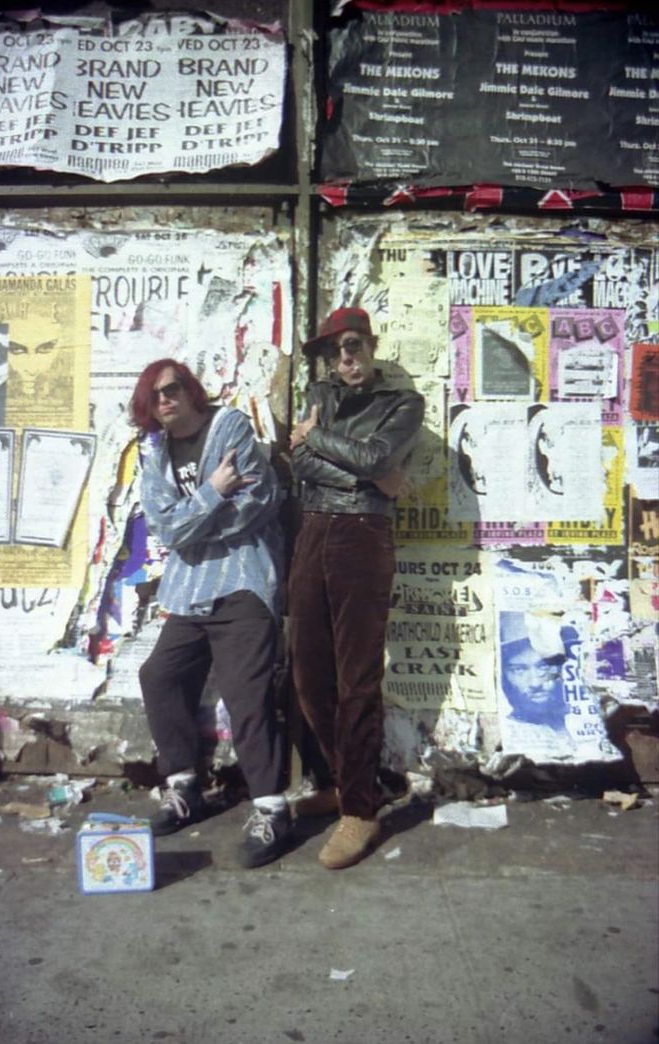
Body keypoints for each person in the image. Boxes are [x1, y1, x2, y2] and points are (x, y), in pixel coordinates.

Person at [131, 358, 291, 869]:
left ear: (191, 390)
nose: (164, 401)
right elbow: (167, 531)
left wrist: (192, 520)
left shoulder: (230, 428)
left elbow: (258, 503)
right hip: (189, 590)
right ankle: (184, 786)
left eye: (172, 389)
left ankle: (272, 808)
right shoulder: (153, 452)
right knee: (158, 675)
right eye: (154, 396)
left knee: (247, 696)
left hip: (244, 582)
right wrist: (212, 493)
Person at [287, 307, 424, 869]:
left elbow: (375, 455)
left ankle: (362, 810)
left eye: (351, 345)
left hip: (364, 536)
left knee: (357, 678)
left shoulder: (403, 403)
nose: (345, 358)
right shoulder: (320, 393)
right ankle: (346, 781)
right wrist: (375, 478)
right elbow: (297, 463)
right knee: (307, 672)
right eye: (334, 351)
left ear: (369, 343)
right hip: (314, 530)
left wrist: (319, 439)